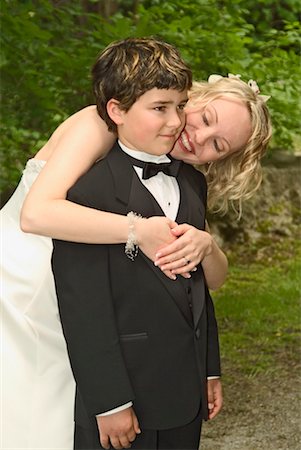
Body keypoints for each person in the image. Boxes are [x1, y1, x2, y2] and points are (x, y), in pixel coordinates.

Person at [1, 48, 272, 450]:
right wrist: (137, 230)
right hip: (26, 281)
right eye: (204, 119)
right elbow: (36, 214)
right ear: (193, 98)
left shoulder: (180, 175)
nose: (197, 137)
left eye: (218, 145)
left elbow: (209, 279)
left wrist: (207, 244)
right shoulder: (100, 125)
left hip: (90, 295)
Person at [51, 36, 221, 450]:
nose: (175, 121)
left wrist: (208, 367)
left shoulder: (192, 182)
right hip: (127, 394)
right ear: (117, 110)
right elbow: (84, 309)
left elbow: (195, 286)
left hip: (185, 387)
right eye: (160, 108)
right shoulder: (88, 193)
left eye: (180, 106)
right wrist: (110, 401)